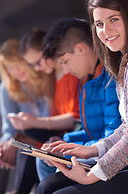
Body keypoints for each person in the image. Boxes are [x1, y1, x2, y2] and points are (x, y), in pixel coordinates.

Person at [37, 0, 128, 194]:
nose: (106, 31)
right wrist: (94, 149)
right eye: (99, 24)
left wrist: (91, 176)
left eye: (114, 20)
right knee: (47, 185)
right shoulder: (127, 62)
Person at [36, 17, 121, 182]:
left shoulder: (110, 77)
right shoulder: (87, 80)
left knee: (50, 181)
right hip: (97, 149)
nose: (66, 70)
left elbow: (113, 136)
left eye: (65, 62)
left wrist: (71, 150)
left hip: (111, 157)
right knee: (44, 160)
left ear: (80, 49)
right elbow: (92, 132)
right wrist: (64, 142)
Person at [8, 28, 80, 181]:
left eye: (37, 62)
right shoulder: (50, 78)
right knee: (26, 140)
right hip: (61, 134)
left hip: (73, 133)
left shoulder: (72, 73)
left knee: (31, 135)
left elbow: (75, 118)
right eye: (32, 65)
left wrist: (34, 121)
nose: (37, 68)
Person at [0, 39, 53, 194]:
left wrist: (15, 139)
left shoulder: (45, 77)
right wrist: (6, 144)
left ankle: (19, 190)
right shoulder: (6, 89)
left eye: (18, 63)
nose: (16, 71)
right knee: (3, 152)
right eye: (10, 68)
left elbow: (49, 116)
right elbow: (8, 128)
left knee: (25, 140)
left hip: (46, 132)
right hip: (22, 137)